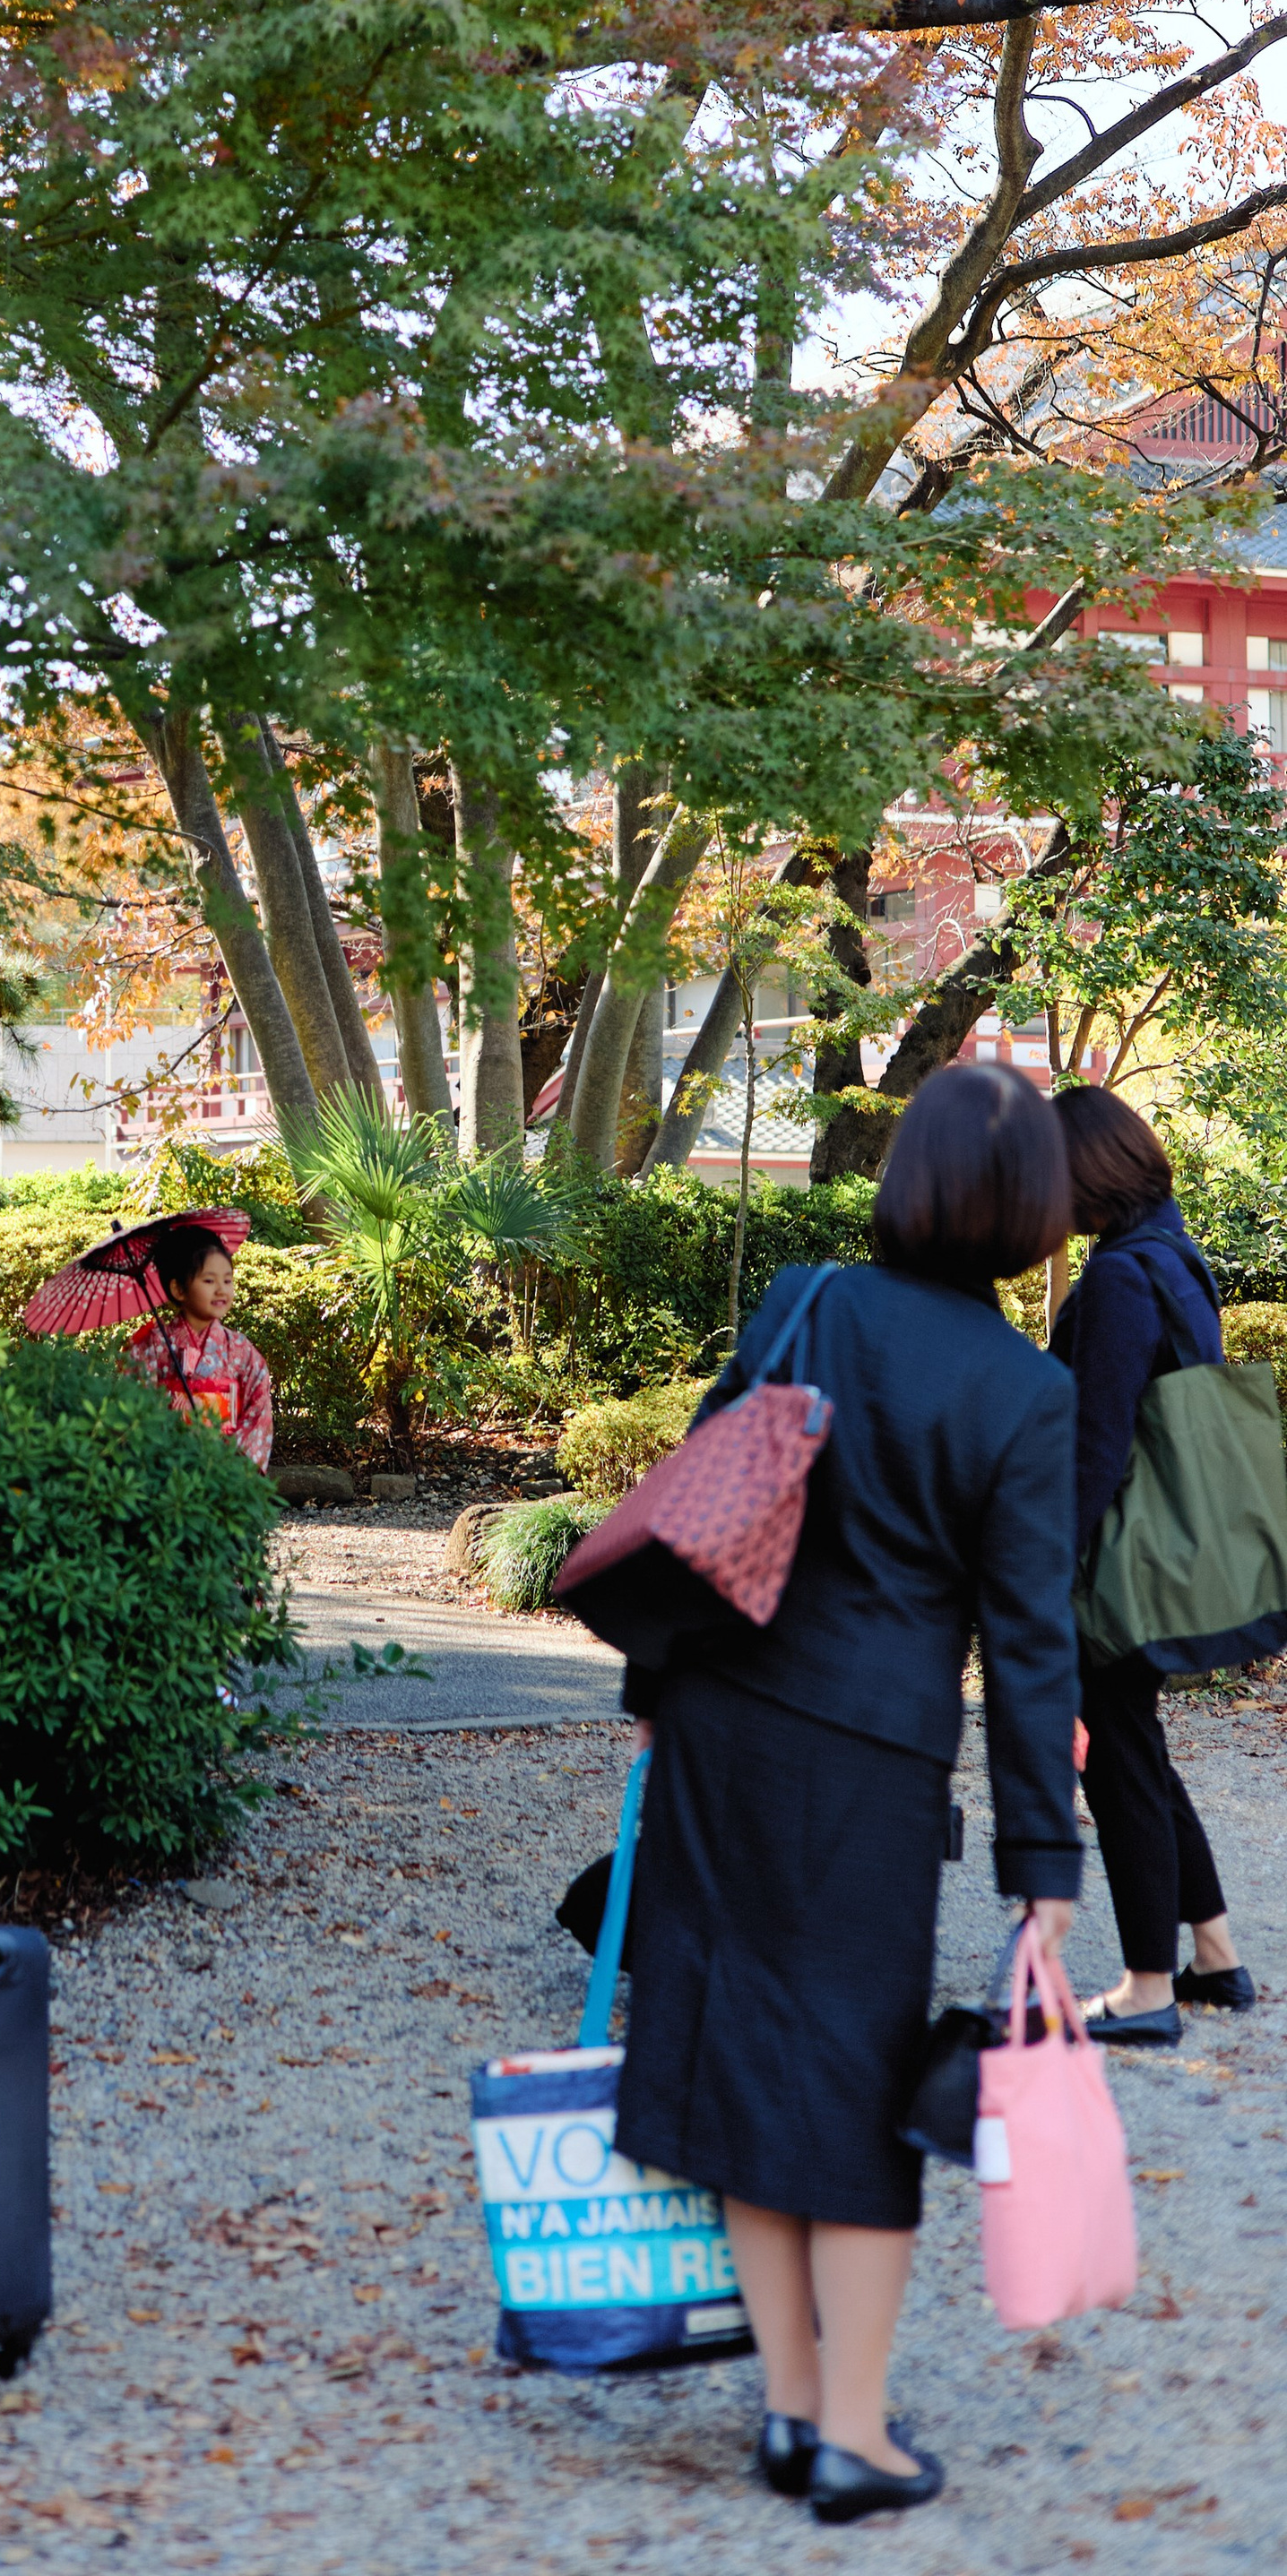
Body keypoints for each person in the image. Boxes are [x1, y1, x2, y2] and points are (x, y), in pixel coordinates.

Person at [614, 1064, 1081, 2528]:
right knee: (867, 2086)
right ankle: (857, 2439)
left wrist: (647, 1708)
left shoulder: (806, 1301)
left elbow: (698, 1497)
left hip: (720, 1719)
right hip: (866, 1762)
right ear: (1031, 1215)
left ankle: (792, 2407)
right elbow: (1028, 1646)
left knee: (747, 2049)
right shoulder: (1025, 1390)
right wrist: (1044, 1870)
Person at [1049, 1081, 1251, 2040]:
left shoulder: (1124, 1276)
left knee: (1117, 1761)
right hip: (1164, 1547)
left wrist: (1053, 1566)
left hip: (1116, 1560)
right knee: (1143, 1752)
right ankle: (1214, 1954)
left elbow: (1097, 1442)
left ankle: (1145, 1987)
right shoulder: (1176, 1258)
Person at [125, 1220, 274, 1467]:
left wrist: (235, 1465)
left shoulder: (241, 1350)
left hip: (226, 1469)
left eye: (227, 1281)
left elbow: (259, 1410)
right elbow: (135, 1407)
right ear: (179, 1289)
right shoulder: (152, 1346)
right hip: (168, 1468)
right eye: (209, 1281)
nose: (221, 1290)